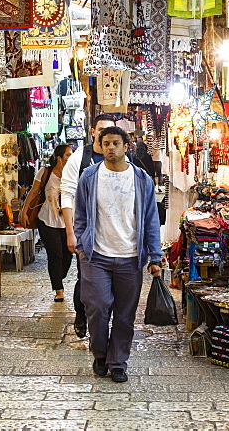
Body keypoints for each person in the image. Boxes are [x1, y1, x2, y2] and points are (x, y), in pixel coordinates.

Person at [73, 127, 163, 383]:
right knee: (97, 307)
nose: (110, 147)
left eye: (115, 143)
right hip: (96, 256)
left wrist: (154, 256)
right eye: (106, 143)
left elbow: (150, 219)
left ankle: (118, 361)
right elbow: (80, 215)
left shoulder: (142, 179)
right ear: (100, 146)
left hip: (130, 257)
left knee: (125, 315)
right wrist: (81, 245)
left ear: (126, 146)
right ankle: (100, 353)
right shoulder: (90, 177)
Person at [59, 114, 120, 338]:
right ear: (92, 131)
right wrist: (70, 232)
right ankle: (82, 314)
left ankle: (104, 319)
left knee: (113, 278)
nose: (106, 135)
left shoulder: (121, 157)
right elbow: (66, 195)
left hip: (116, 231)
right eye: (101, 129)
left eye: (110, 130)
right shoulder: (79, 158)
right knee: (86, 276)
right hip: (86, 232)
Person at [20, 144, 73, 302]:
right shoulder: (45, 172)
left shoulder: (73, 174)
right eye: (68, 155)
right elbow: (34, 191)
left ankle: (59, 276)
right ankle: (59, 289)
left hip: (67, 222)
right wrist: (24, 211)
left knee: (67, 255)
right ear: (59, 158)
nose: (71, 158)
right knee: (55, 255)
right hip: (47, 219)